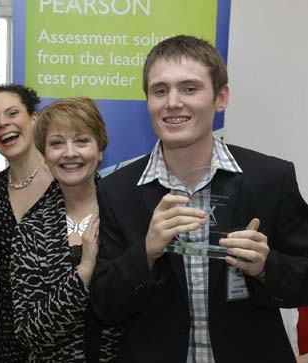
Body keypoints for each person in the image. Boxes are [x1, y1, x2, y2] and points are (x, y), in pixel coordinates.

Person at [90, 35, 308, 363]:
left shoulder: (270, 178)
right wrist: (146, 253)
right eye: (160, 90)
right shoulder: (116, 189)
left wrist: (266, 267)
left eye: (189, 88)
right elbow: (104, 305)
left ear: (221, 97)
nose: (172, 102)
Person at [10, 97, 120, 362]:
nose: (70, 153)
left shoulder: (124, 214)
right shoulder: (31, 231)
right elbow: (29, 334)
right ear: (45, 156)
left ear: (100, 149)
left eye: (81, 140)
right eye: (57, 143)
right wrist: (83, 271)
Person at [0, 84, 54, 362]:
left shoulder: (69, 177)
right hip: (11, 331)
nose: (3, 124)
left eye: (12, 113)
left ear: (34, 118)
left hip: (69, 326)